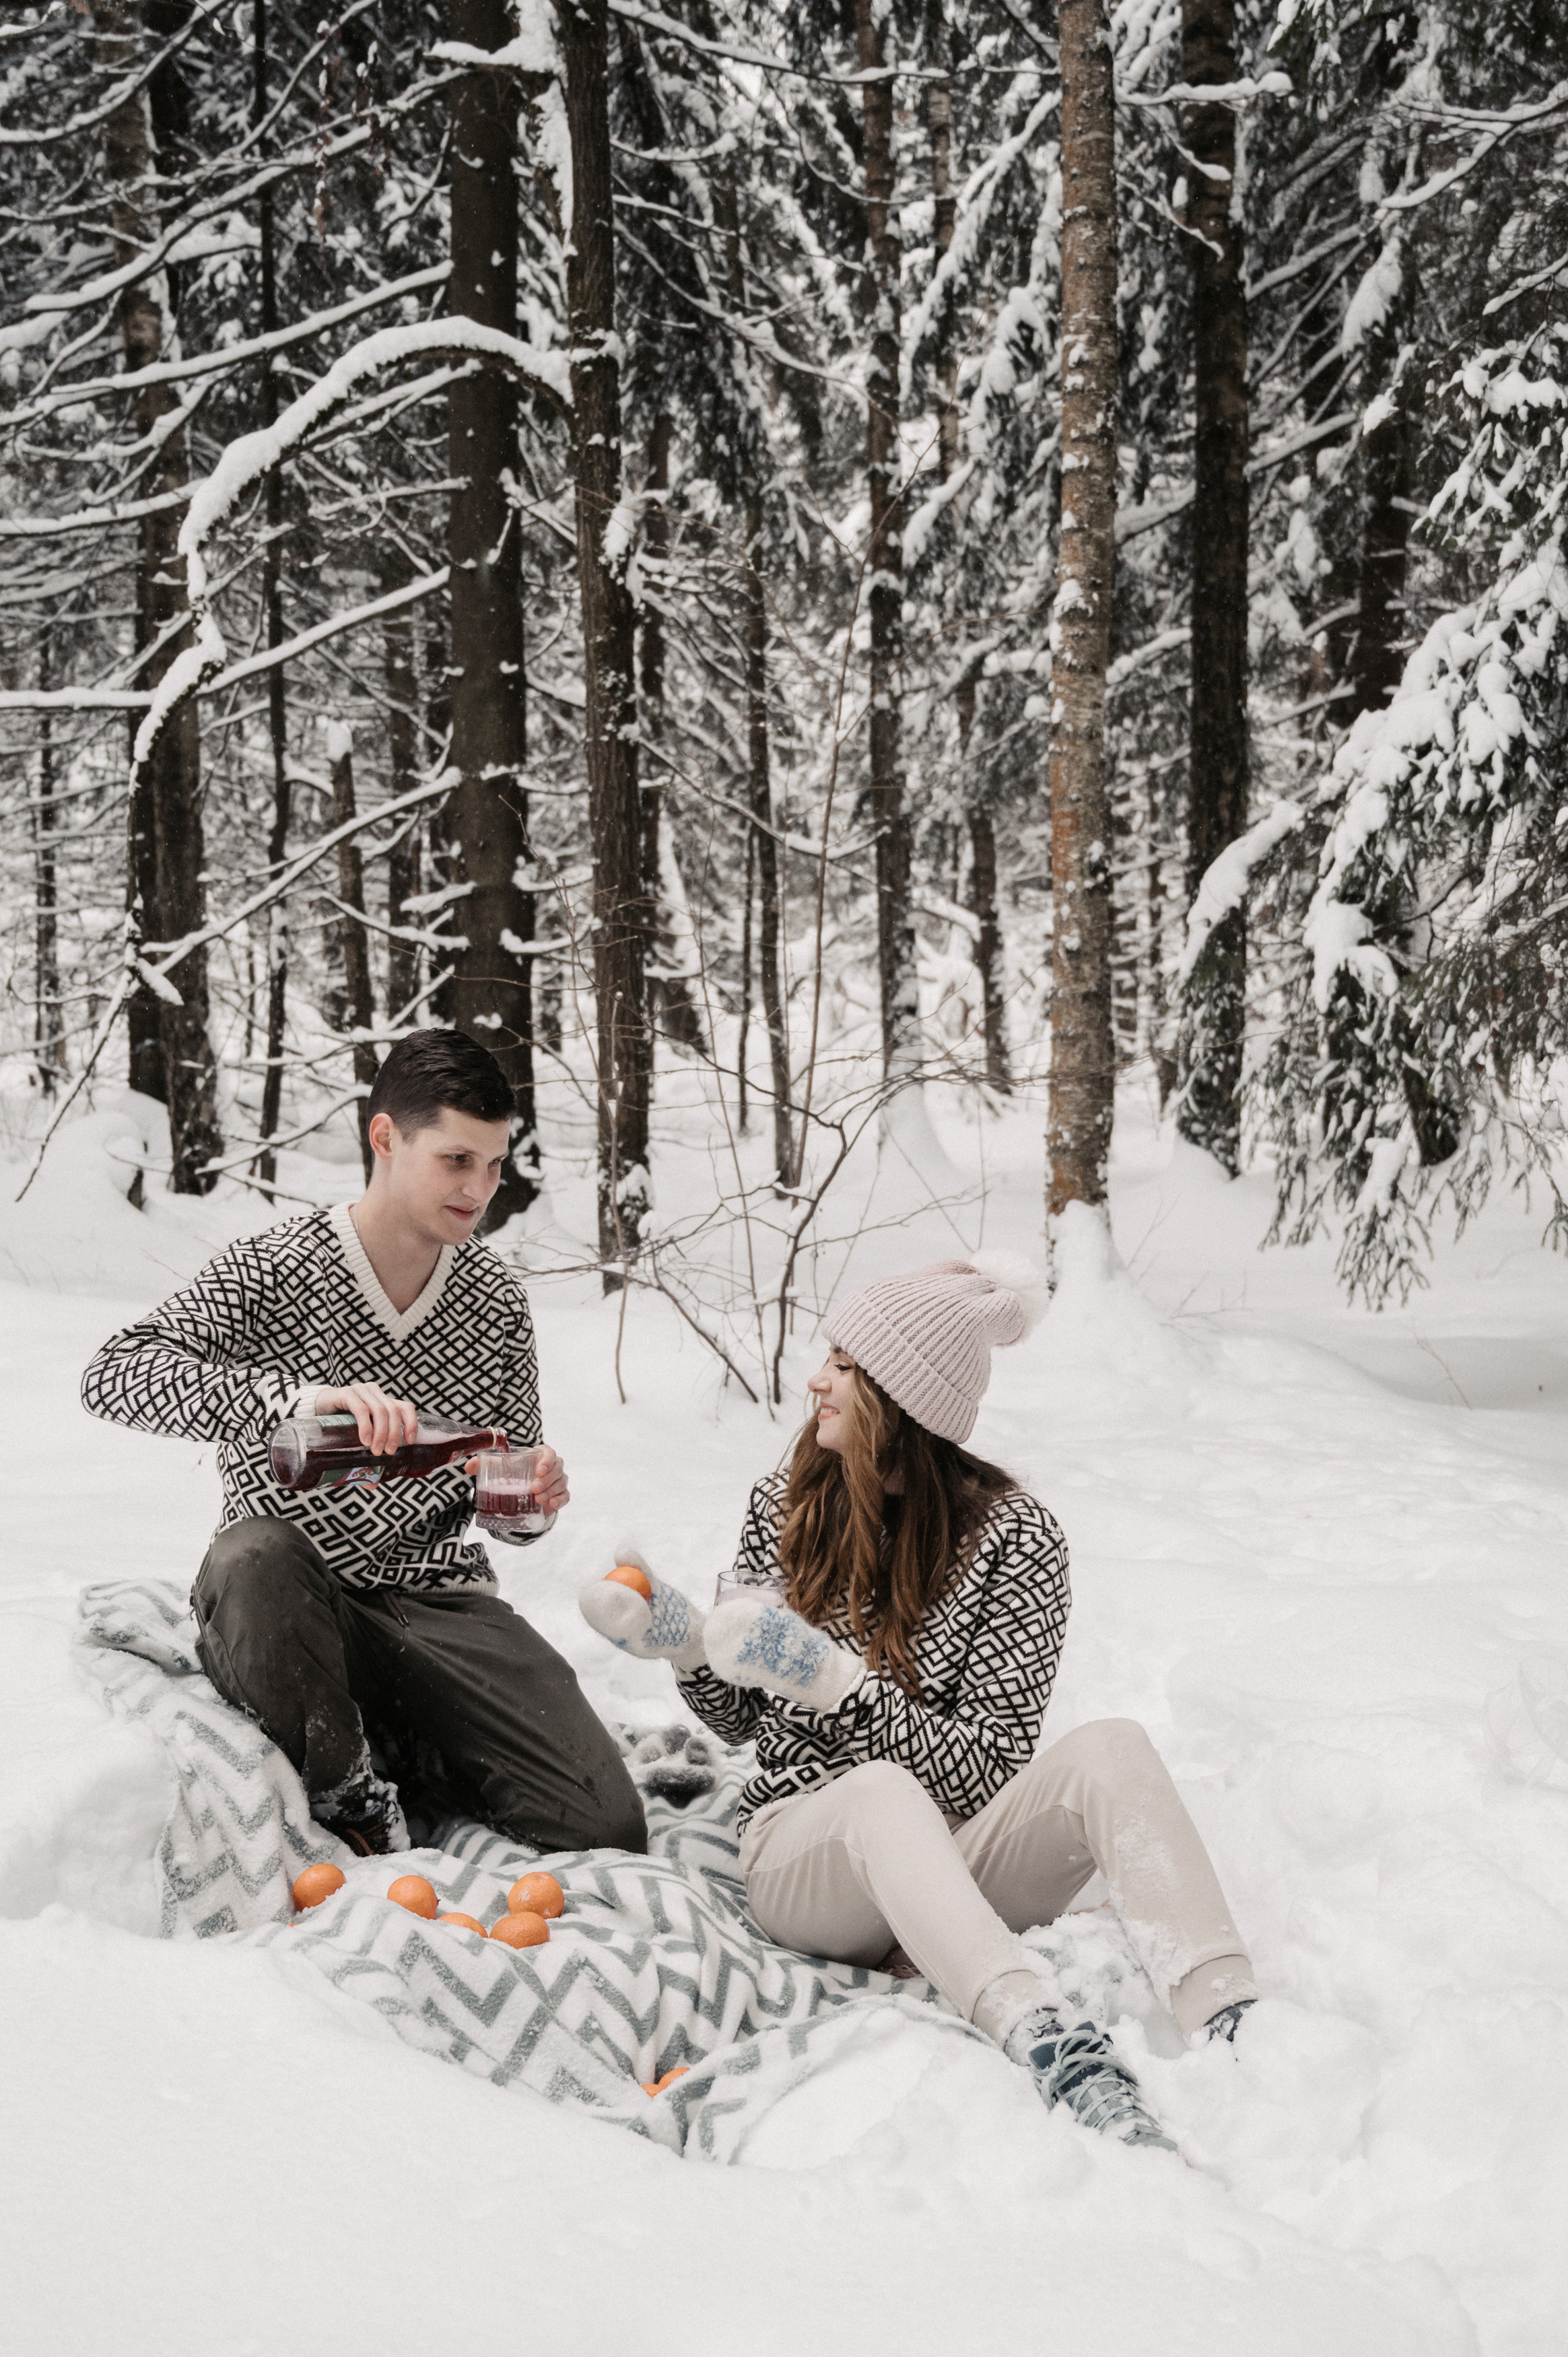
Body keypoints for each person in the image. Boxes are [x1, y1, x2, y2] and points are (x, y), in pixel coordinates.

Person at [579, 1256, 1256, 2149]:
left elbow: (986, 1765)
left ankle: (1233, 2022)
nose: (817, 1379)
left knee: (1112, 1749)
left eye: (848, 1366)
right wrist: (684, 1644)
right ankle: (1048, 2040)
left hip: (951, 1851)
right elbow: (746, 1723)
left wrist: (836, 1688)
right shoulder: (784, 1505)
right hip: (801, 1855)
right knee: (875, 1793)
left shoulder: (1017, 1539)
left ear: (905, 1398)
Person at [83, 1028, 646, 1860]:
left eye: (493, 1165)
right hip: (291, 1602)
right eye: (457, 1160)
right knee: (252, 1557)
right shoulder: (273, 1267)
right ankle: (353, 1796)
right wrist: (286, 1400)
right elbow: (114, 1374)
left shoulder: (493, 1299)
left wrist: (530, 1500)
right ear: (385, 1137)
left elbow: (503, 1498)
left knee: (602, 1826)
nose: (480, 1189)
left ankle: (401, 1741)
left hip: (437, 1604)